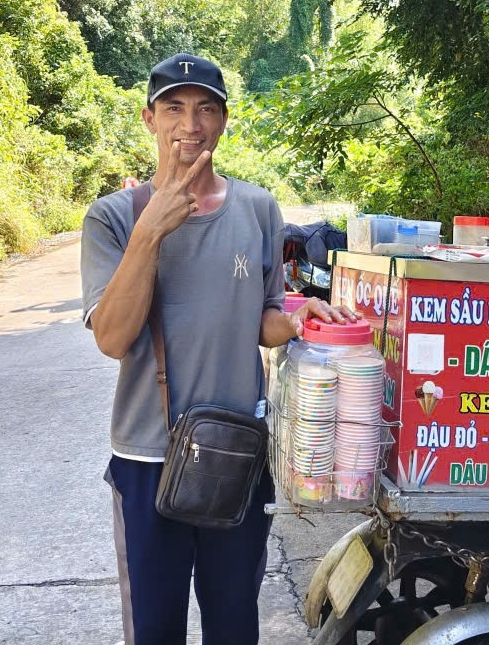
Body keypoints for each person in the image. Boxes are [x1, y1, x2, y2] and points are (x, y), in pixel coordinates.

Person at [80, 53, 357, 645]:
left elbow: (262, 318)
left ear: (224, 119)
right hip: (149, 458)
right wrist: (152, 229)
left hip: (236, 451)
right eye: (174, 108)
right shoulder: (111, 217)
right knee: (156, 630)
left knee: (234, 624)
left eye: (206, 108)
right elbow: (112, 338)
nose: (190, 123)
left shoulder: (257, 208)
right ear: (149, 119)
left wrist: (298, 316)